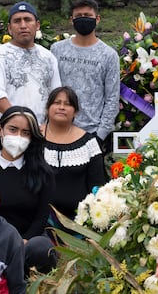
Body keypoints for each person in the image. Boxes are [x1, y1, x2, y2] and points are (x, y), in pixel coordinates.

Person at [0, 106, 57, 274]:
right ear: (1, 130)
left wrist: (24, 241)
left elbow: (41, 217)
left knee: (42, 248)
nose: (18, 137)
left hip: (28, 243)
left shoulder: (43, 173)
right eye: (13, 130)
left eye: (25, 133)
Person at [50, 0, 120, 147]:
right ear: (71, 20)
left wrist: (100, 135)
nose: (83, 19)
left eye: (87, 16)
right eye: (79, 16)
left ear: (97, 19)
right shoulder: (57, 49)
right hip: (58, 130)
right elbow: (50, 88)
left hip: (91, 134)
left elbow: (112, 98)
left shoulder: (109, 55)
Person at [41, 86, 107, 231]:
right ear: (47, 108)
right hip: (39, 222)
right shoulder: (34, 138)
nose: (62, 107)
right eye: (57, 103)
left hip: (80, 225)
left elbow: (98, 187)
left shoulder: (89, 142)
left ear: (75, 112)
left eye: (68, 104)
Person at [0, 1, 61, 123]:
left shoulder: (48, 57)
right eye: (17, 21)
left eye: (27, 19)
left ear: (37, 25)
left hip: (44, 132)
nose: (23, 25)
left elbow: (57, 96)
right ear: (9, 28)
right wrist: (21, 123)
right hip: (12, 130)